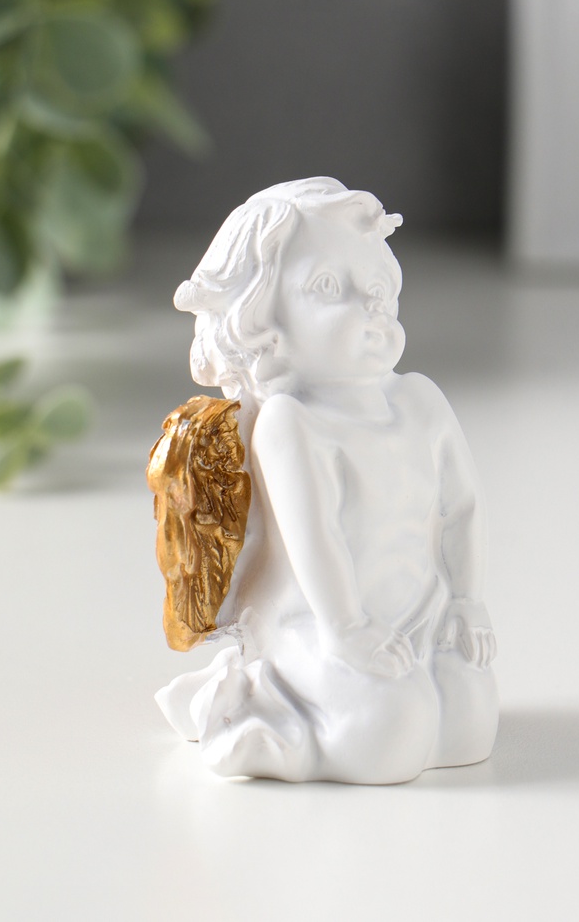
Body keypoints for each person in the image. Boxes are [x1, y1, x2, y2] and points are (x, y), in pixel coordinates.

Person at [156, 177, 498, 783]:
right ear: (265, 321)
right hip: (314, 621)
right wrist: (346, 630)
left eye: (378, 288)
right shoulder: (292, 422)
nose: (370, 306)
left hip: (420, 613)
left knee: (470, 720)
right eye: (328, 287)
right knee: (393, 738)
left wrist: (466, 603)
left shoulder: (420, 401)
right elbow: (316, 538)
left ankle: (350, 702)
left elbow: (462, 509)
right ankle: (266, 715)